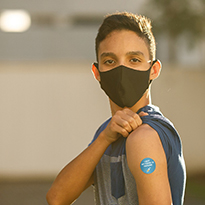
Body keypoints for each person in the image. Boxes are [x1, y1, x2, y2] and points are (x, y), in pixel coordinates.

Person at [46, 12, 186, 205]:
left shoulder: (144, 137)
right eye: (110, 61)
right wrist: (104, 138)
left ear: (153, 69)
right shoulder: (107, 133)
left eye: (134, 60)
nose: (122, 70)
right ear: (97, 73)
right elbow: (56, 197)